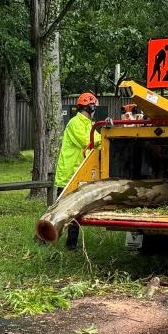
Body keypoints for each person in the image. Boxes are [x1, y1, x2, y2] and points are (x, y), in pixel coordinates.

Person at [55, 93, 102, 248]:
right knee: (59, 210)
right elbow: (89, 141)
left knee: (75, 211)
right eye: (95, 106)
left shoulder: (89, 124)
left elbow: (99, 142)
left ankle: (71, 245)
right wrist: (107, 135)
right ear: (91, 106)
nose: (95, 109)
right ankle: (42, 237)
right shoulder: (75, 123)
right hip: (69, 173)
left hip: (79, 172)